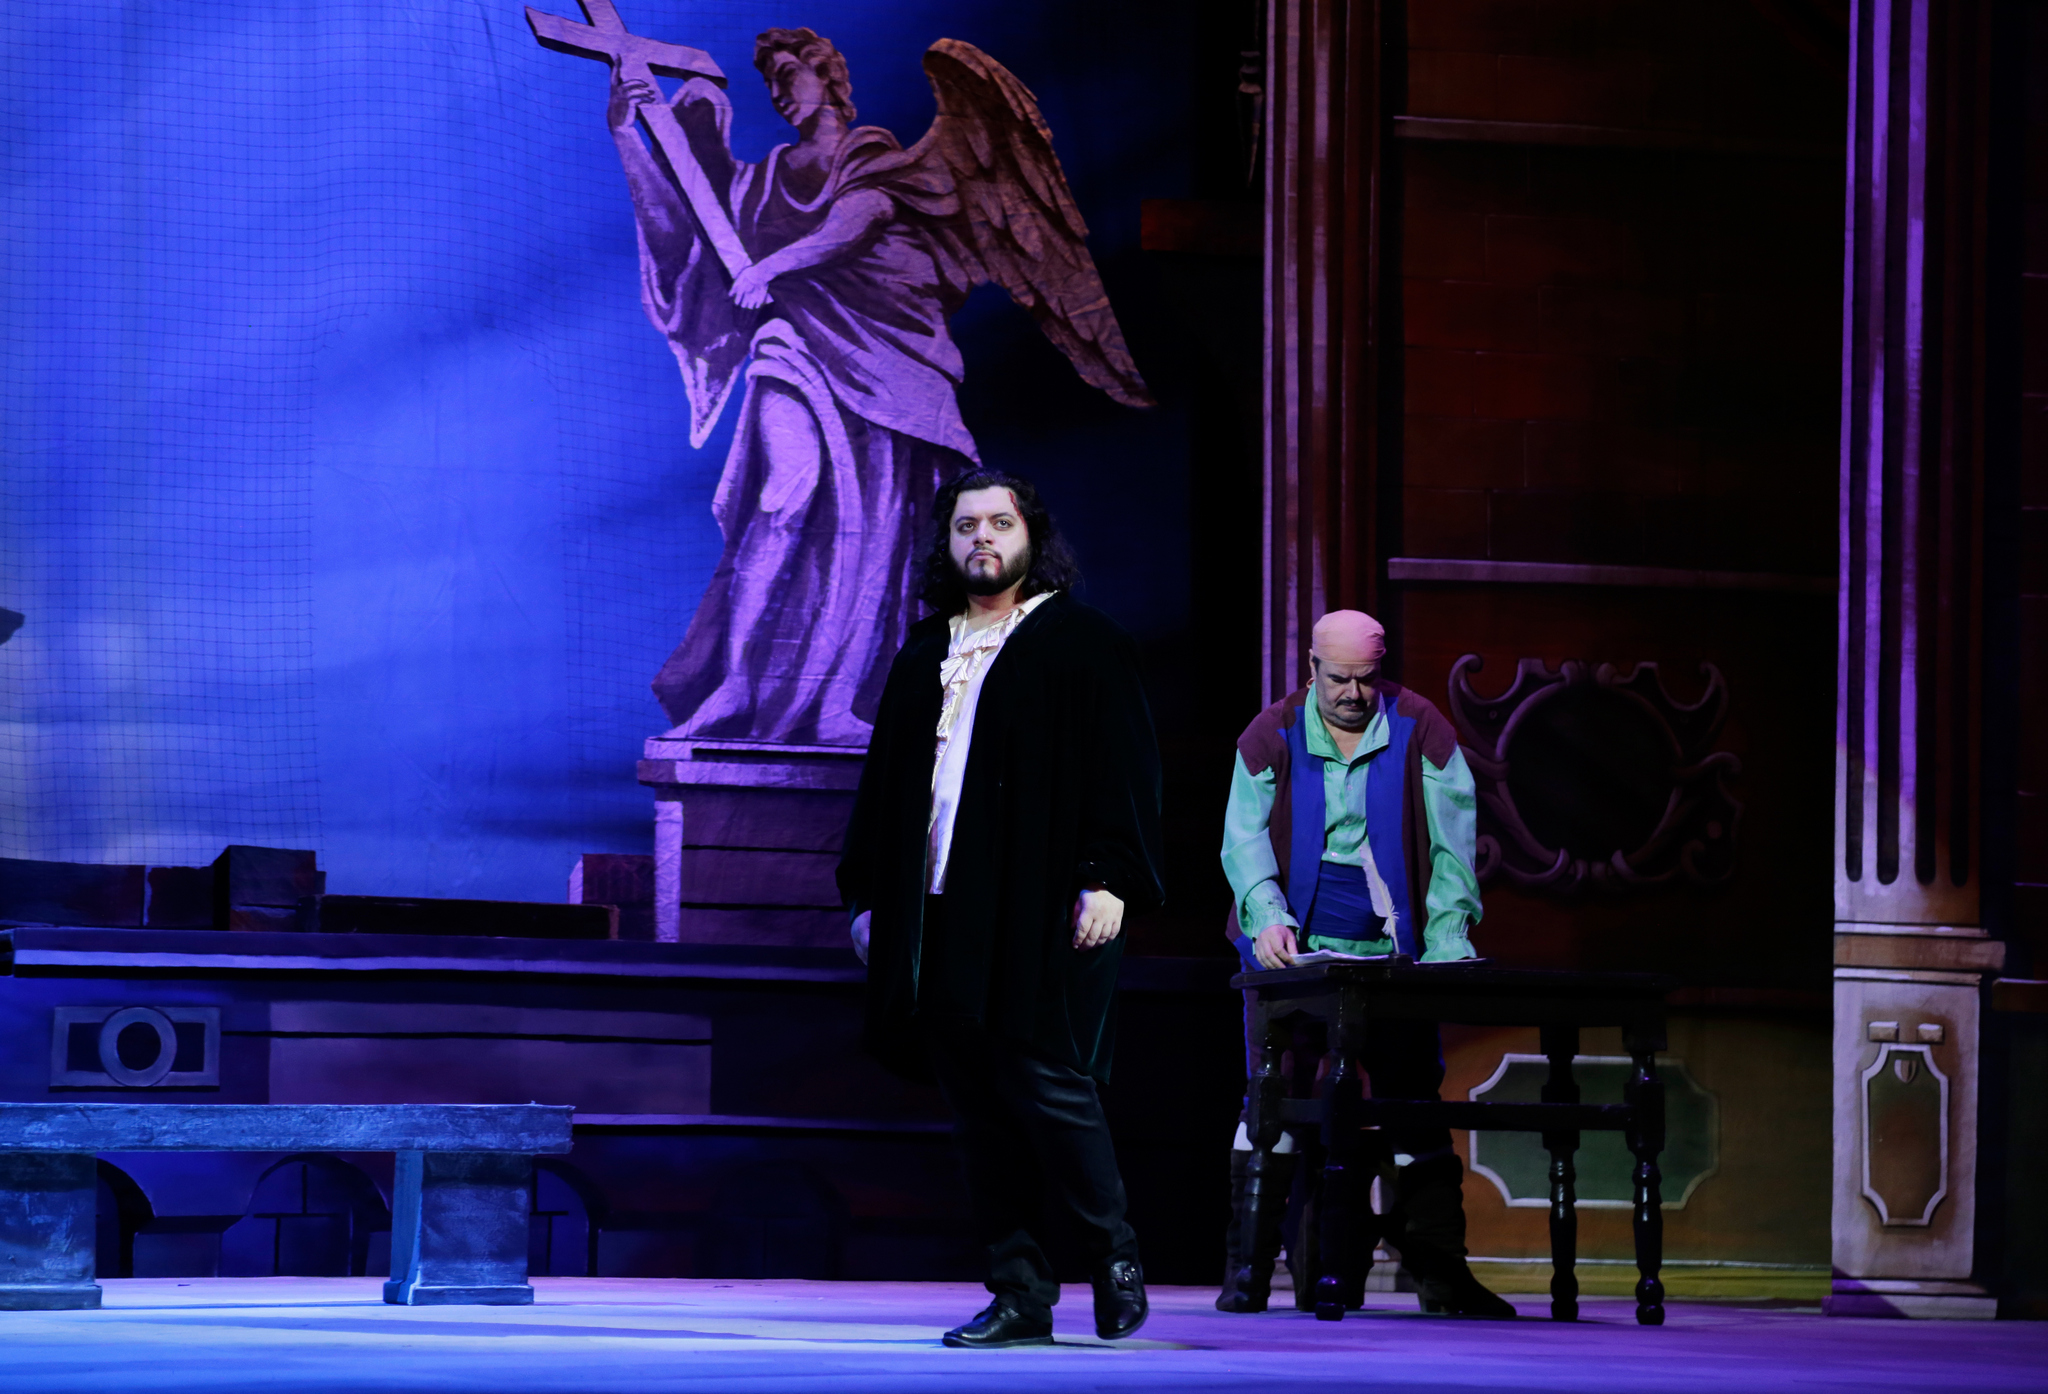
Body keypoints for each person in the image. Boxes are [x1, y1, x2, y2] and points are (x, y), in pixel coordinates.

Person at [605, 28, 1149, 746]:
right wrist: (628, 134)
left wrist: (773, 267)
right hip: (793, 347)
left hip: (889, 362)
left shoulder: (875, 157)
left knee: (872, 533)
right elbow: (682, 232)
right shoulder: (761, 183)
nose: (779, 90)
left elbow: (858, 223)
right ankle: (737, 686)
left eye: (791, 73)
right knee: (779, 498)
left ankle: (839, 697)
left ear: (829, 78)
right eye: (771, 80)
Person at [836, 469, 1164, 1348]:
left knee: (1049, 1083)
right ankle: (1019, 1292)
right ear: (946, 545)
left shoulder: (1081, 642)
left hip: (1039, 904)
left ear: (1031, 536)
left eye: (999, 522)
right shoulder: (923, 651)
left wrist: (1110, 876)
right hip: (937, 910)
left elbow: (1126, 771)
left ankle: (1113, 1253)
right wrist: (869, 896)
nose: (981, 537)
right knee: (979, 1109)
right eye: (965, 525)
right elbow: (884, 789)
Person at [1214, 609, 1516, 1319]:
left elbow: (1452, 844)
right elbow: (1243, 837)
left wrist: (1445, 940)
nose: (1353, 693)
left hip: (1390, 953)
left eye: (1366, 679)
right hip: (1295, 953)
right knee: (1273, 1095)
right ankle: (1247, 1272)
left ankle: (1442, 1275)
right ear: (1312, 670)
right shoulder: (1272, 732)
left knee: (1413, 1099)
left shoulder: (1420, 727)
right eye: (1339, 679)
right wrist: (1266, 913)